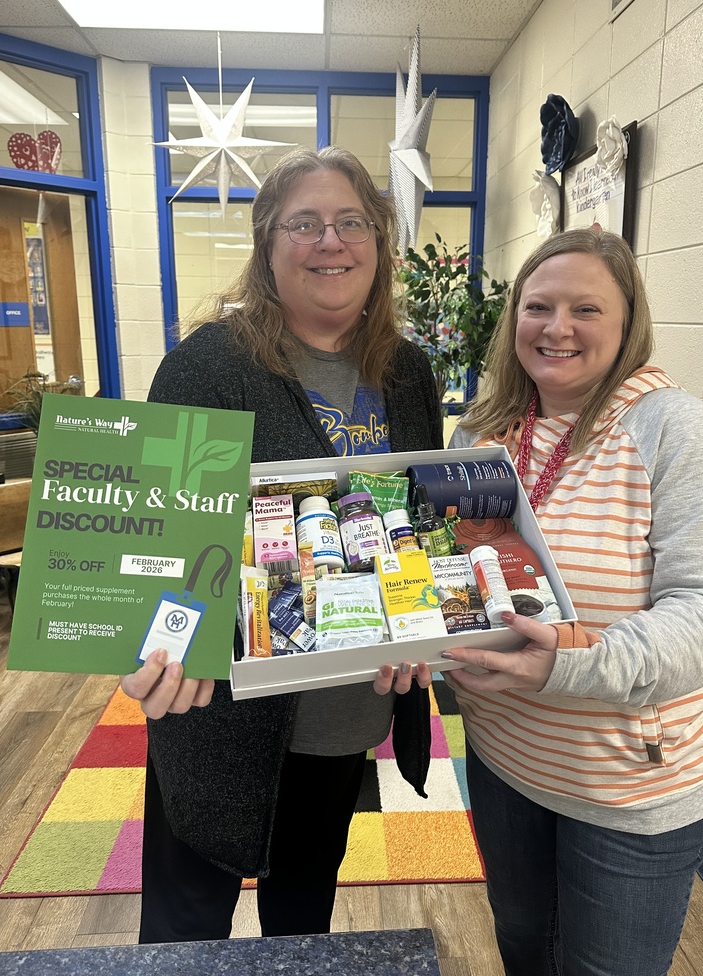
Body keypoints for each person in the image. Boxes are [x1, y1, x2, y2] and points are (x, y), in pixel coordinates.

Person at [121, 146, 440, 944]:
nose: (329, 241)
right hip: (220, 713)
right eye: (303, 223)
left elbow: (421, 523)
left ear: (380, 244)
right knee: (186, 927)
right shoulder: (207, 368)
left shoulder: (407, 374)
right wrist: (153, 645)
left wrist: (425, 620)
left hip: (342, 708)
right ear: (267, 245)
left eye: (350, 222)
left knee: (303, 914)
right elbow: (158, 544)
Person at [442, 228, 703, 976]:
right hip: (505, 758)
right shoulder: (482, 433)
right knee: (520, 941)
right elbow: (442, 576)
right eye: (538, 306)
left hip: (631, 786)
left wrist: (576, 663)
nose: (557, 328)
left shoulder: (673, 430)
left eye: (586, 309)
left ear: (626, 324)